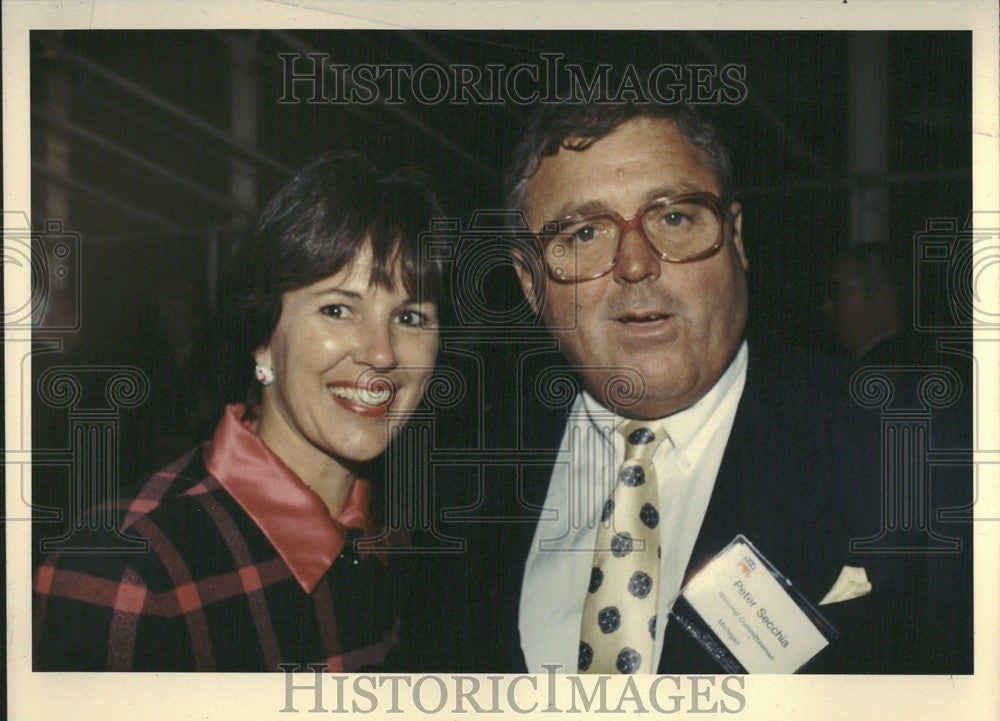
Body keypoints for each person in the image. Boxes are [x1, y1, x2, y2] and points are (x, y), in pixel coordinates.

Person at [420, 100, 971, 675]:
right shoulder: (463, 490)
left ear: (736, 237)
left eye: (675, 218)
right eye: (585, 232)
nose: (635, 264)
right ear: (531, 283)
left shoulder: (919, 450)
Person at [33, 153, 445, 671]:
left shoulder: (402, 542)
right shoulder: (127, 570)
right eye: (337, 309)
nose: (382, 353)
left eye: (409, 316)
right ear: (261, 340)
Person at [822, 242, 922, 362]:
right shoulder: (921, 363)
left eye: (836, 293)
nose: (826, 306)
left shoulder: (860, 374)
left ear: (882, 299)